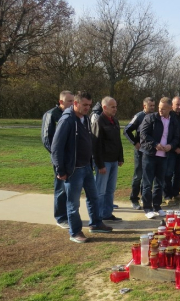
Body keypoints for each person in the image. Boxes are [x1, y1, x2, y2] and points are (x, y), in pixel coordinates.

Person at [51, 91, 113, 243]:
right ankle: (75, 232)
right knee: (73, 203)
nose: (87, 108)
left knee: (94, 197)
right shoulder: (67, 121)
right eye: (84, 105)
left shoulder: (85, 119)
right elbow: (56, 147)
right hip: (73, 170)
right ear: (76, 104)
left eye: (89, 105)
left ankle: (96, 223)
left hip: (86, 167)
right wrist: (61, 170)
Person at [139, 97, 179, 219]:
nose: (160, 110)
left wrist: (170, 146)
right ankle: (147, 208)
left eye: (163, 109)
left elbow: (177, 137)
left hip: (164, 156)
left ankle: (157, 206)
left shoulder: (173, 120)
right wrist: (155, 144)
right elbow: (143, 134)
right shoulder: (150, 118)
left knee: (159, 183)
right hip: (150, 155)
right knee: (147, 183)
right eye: (159, 108)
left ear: (170, 108)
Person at [41, 90, 74, 229]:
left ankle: (69, 214)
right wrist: (57, 156)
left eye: (73, 101)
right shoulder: (51, 115)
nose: (72, 104)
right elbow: (47, 139)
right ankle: (61, 218)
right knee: (60, 188)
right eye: (69, 101)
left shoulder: (73, 114)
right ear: (61, 102)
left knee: (70, 188)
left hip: (71, 159)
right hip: (59, 159)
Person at [91, 96, 124, 221]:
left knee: (110, 190)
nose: (115, 109)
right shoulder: (99, 122)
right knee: (101, 191)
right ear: (104, 107)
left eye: (116, 107)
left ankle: (107, 214)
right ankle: (98, 216)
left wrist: (120, 157)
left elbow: (118, 141)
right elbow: (95, 145)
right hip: (104, 162)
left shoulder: (114, 121)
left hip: (114, 161)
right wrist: (100, 165)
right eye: (112, 107)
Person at [124, 97, 155, 210]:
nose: (152, 108)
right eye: (150, 106)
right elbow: (126, 130)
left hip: (150, 151)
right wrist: (135, 142)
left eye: (153, 105)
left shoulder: (155, 116)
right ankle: (134, 199)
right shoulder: (139, 116)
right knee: (138, 175)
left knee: (148, 176)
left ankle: (145, 198)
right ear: (144, 106)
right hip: (140, 151)